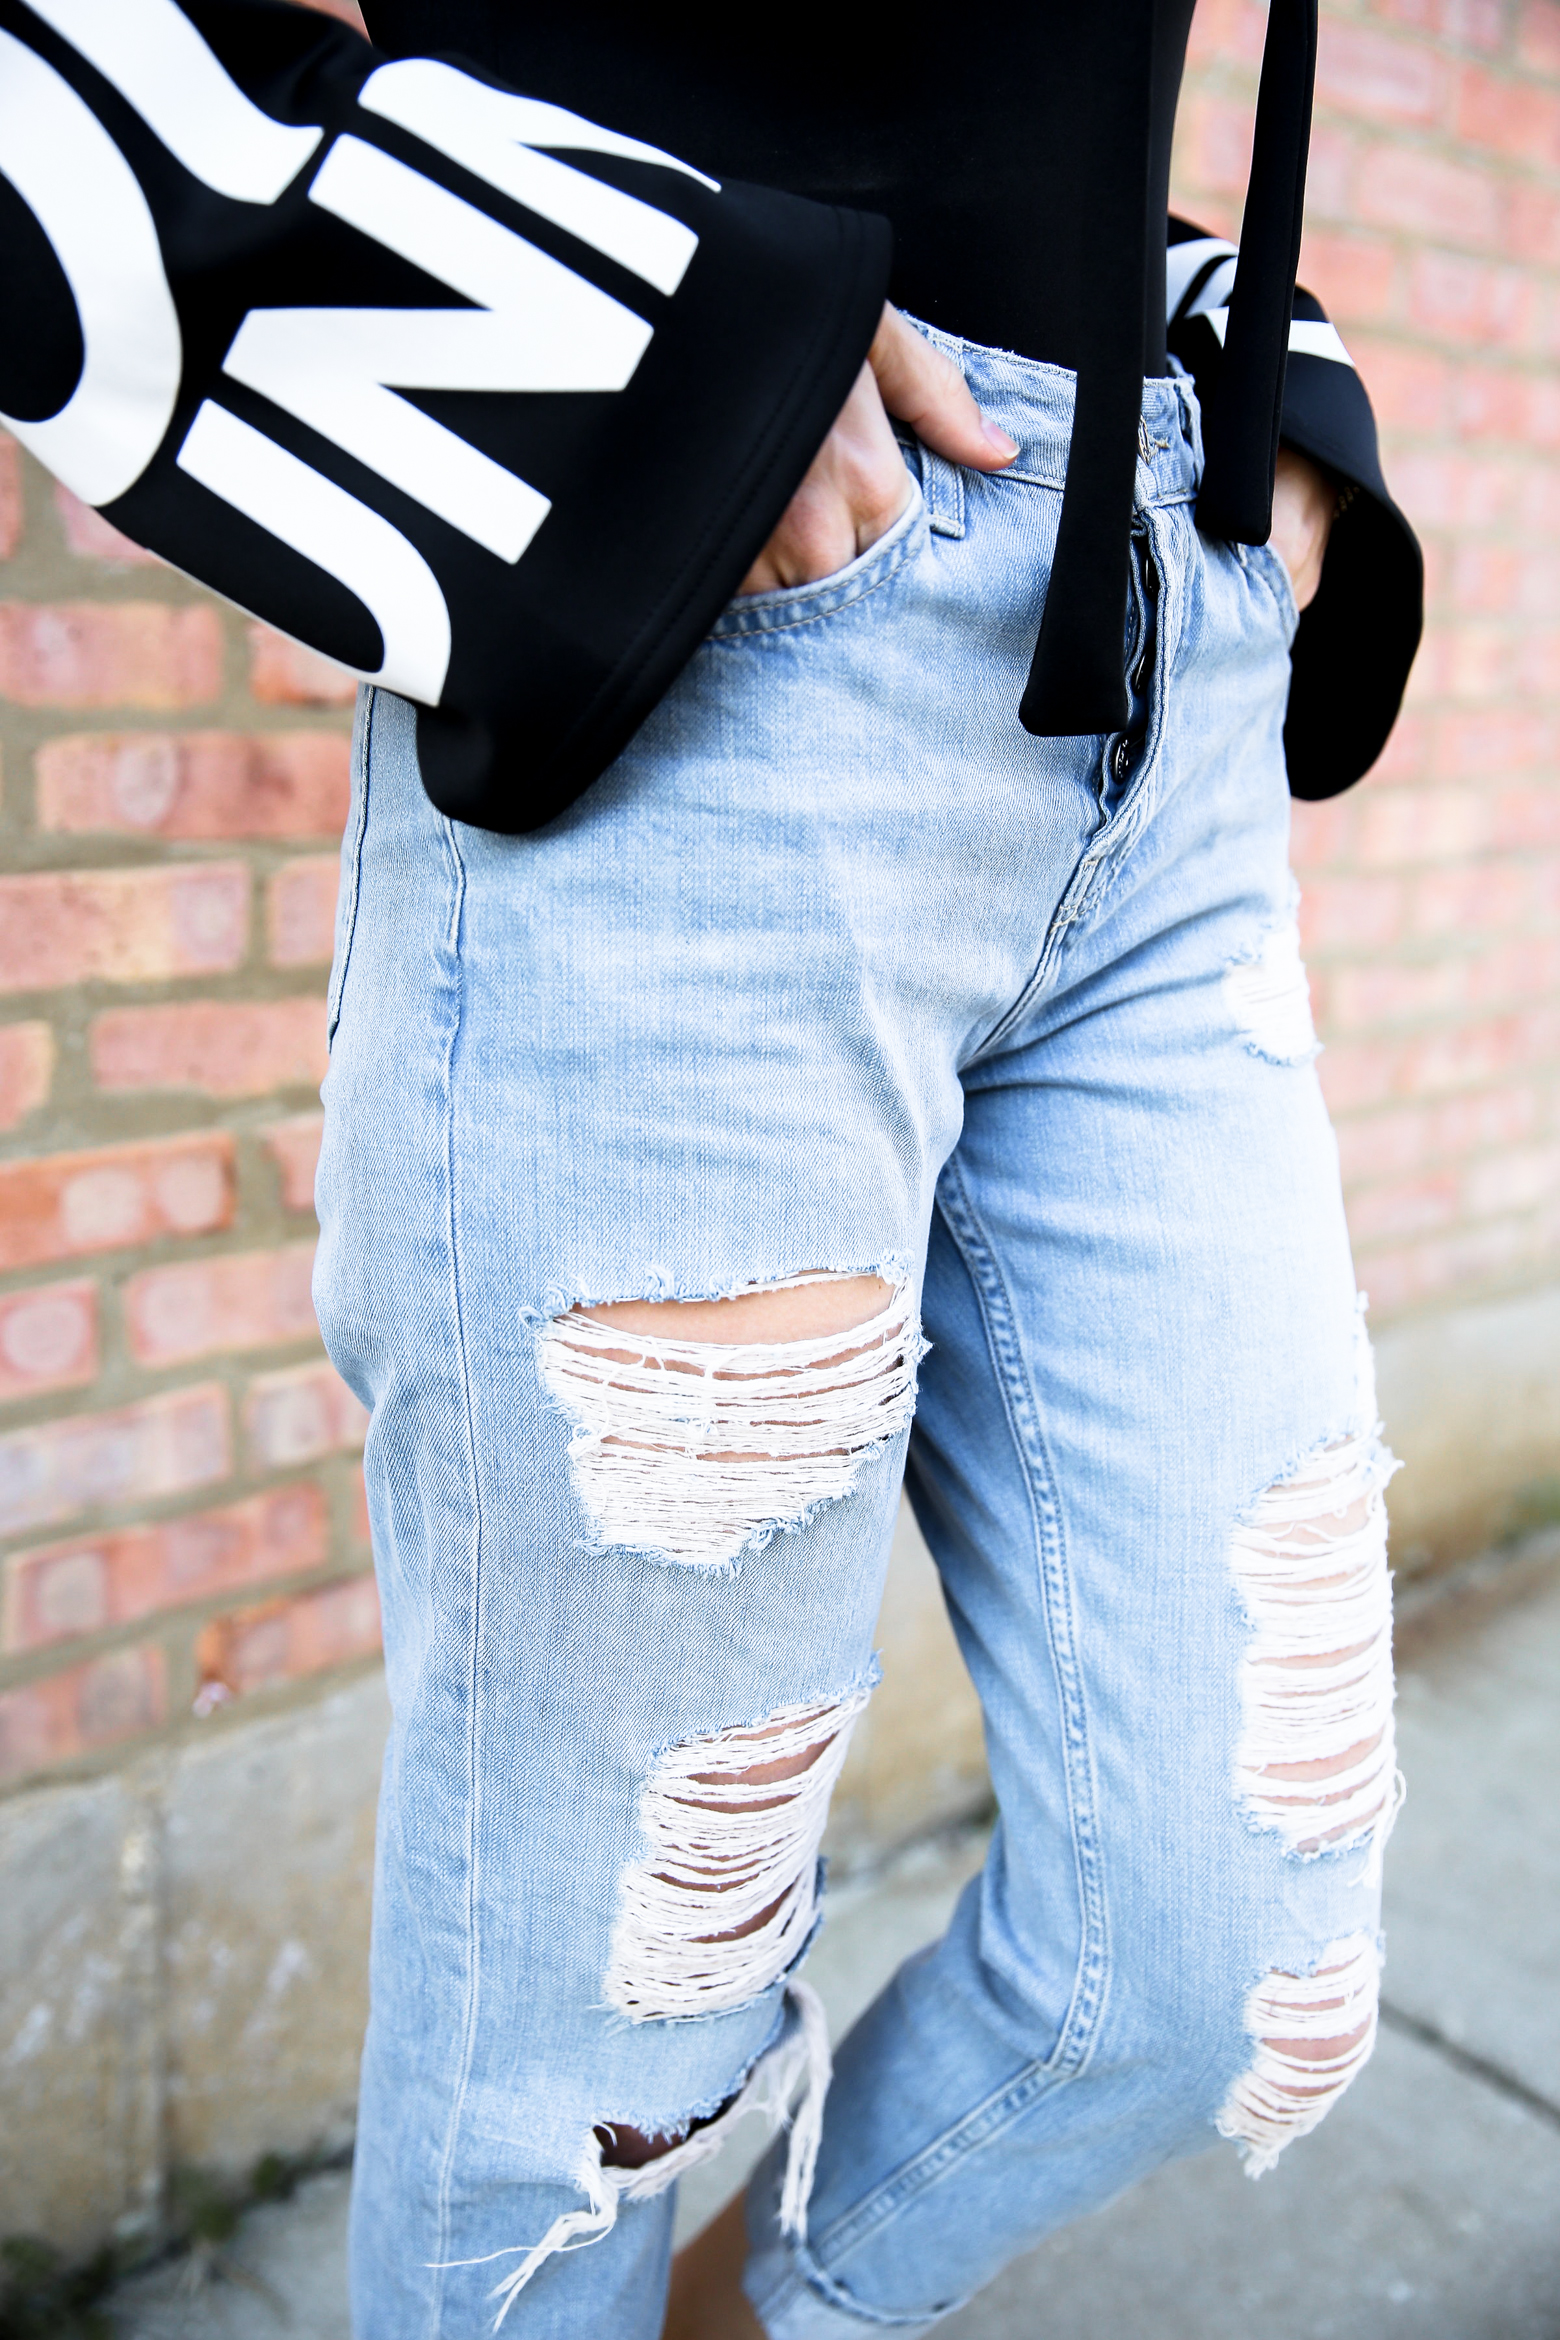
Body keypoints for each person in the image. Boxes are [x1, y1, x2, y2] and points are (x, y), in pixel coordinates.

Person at [1, 3, 1422, 2333]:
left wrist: (1259, 372)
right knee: (595, 2068)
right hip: (719, 678)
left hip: (1170, 695)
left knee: (1223, 1951)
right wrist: (597, 348)